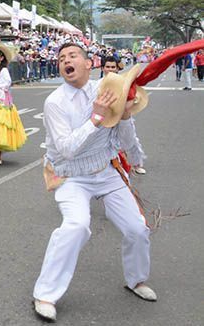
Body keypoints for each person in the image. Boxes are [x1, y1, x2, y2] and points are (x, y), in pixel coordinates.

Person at [32, 43, 154, 322]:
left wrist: (123, 118)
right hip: (71, 176)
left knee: (137, 228)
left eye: (73, 56)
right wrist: (96, 118)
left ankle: (136, 280)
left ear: (90, 64)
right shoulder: (54, 102)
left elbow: (124, 139)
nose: (66, 61)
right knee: (76, 226)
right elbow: (66, 149)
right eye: (61, 58)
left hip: (107, 171)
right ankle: (45, 294)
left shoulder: (108, 90)